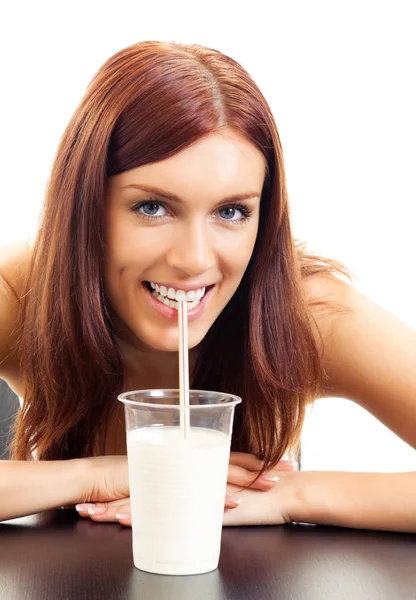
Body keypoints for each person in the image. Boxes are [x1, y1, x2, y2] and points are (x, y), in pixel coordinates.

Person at [0, 40, 415, 531]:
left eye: (231, 212)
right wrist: (98, 476)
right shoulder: (20, 294)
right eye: (152, 207)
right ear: (86, 205)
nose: (194, 259)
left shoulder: (311, 315)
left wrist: (290, 495)